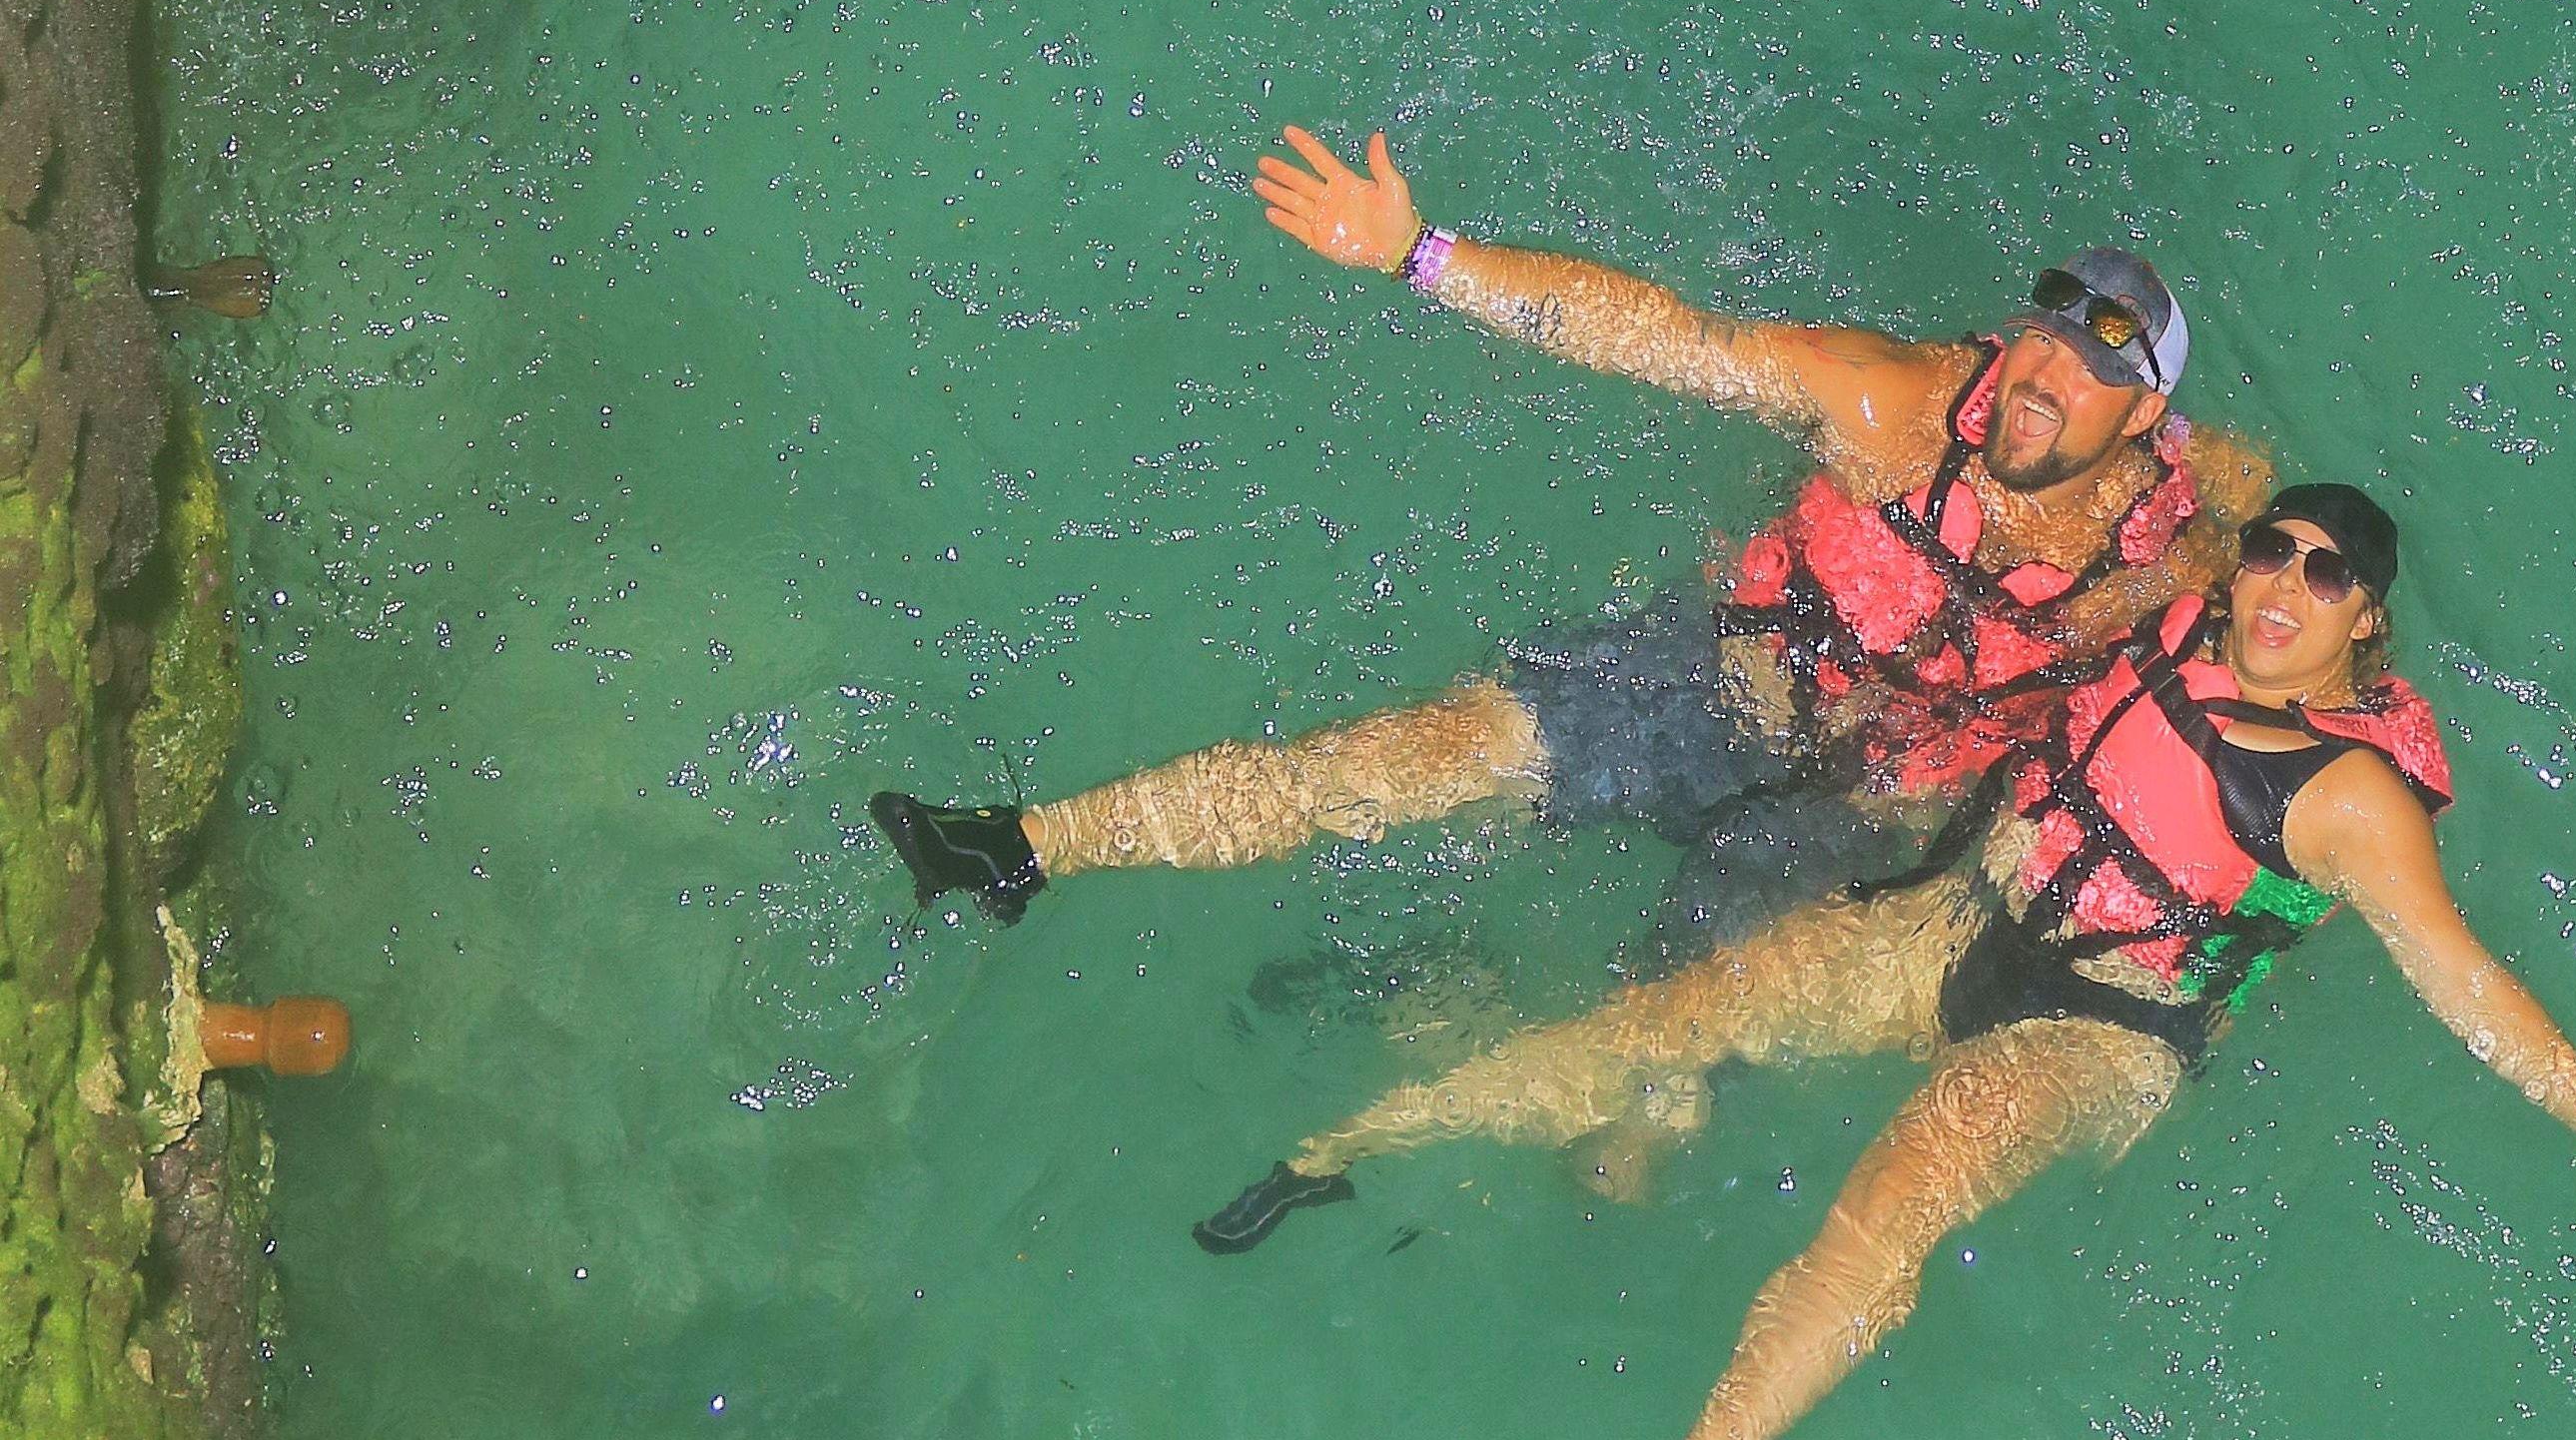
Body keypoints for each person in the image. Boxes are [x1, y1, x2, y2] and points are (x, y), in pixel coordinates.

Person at [1190, 485, 2576, 1440]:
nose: (2284, 581)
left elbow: (2458, 974)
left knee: (1903, 1186)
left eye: (2327, 572)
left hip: (2104, 1027)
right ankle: (1351, 1150)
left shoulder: (2348, 795)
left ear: (2369, 617)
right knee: (1663, 1020)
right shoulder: (2199, 618)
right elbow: (2163, 495)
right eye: (2276, 552)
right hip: (1958, 923)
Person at [869, 126, 2272, 979]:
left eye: (2090, 364)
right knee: (1422, 752)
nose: (2042, 372)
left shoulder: (2188, 547)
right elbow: (1667, 336)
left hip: (1863, 808)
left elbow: (2290, 651)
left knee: (1649, 1065)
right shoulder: (1890, 403)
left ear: (2146, 410)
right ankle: (1023, 849)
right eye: (2041, 332)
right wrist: (1423, 254)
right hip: (1721, 675)